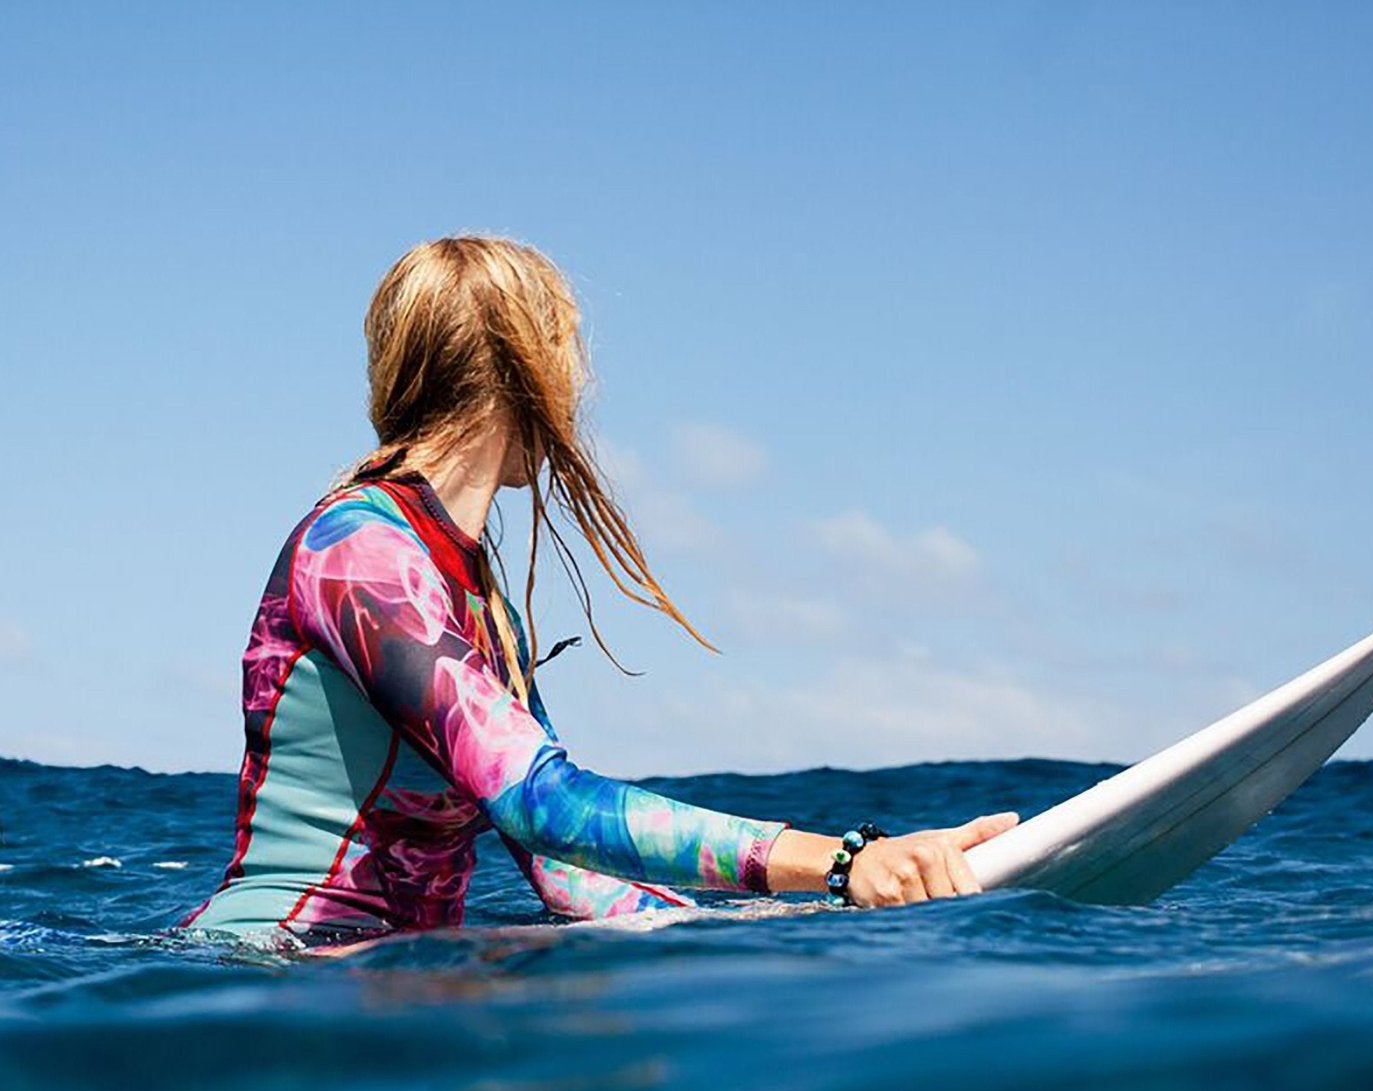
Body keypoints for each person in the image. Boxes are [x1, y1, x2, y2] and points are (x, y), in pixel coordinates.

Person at [182, 236, 1018, 948]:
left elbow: (564, 870)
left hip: (383, 984)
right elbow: (544, 804)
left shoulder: (472, 594)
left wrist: (811, 922)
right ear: (526, 376)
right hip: (275, 977)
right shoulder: (359, 553)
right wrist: (843, 858)